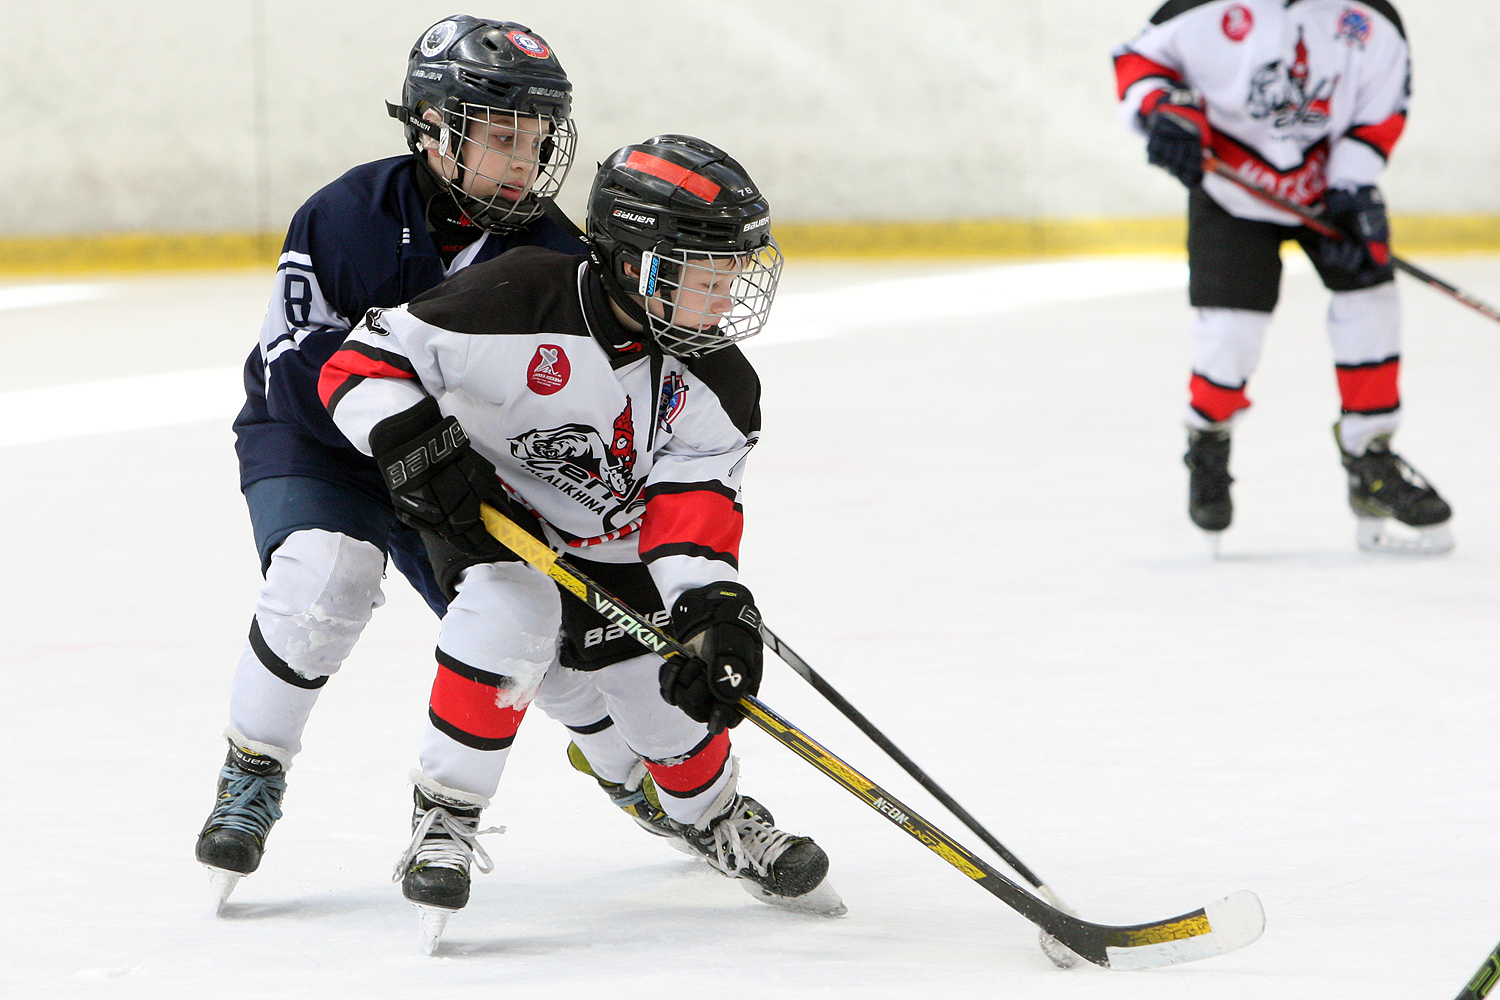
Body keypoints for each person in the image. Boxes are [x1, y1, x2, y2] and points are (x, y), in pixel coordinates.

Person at [320, 135, 844, 945]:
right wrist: (410, 440)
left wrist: (712, 608)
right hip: (493, 516)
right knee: (509, 615)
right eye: (707, 277)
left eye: (731, 276)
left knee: (661, 699)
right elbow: (360, 363)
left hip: (613, 549)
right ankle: (447, 814)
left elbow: (689, 506)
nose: (727, 297)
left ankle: (712, 816)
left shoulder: (722, 384)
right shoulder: (514, 298)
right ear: (636, 263)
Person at [194, 15, 667, 907]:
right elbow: (293, 363)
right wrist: (400, 432)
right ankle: (252, 768)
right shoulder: (347, 213)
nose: (524, 162)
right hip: (320, 445)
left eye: (536, 139)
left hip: (459, 467)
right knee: (321, 574)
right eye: (500, 138)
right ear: (433, 130)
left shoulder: (555, 256)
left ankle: (629, 773)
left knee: (545, 641)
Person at [1114, 0, 1452, 552]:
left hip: (1329, 194)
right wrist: (1164, 107)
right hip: (1231, 192)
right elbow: (1138, 61)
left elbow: (1381, 111)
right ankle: (1208, 437)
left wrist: (1352, 184)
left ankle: (1371, 458)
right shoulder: (1201, 9)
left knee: (1371, 304)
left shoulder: (1369, 18)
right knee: (1229, 335)